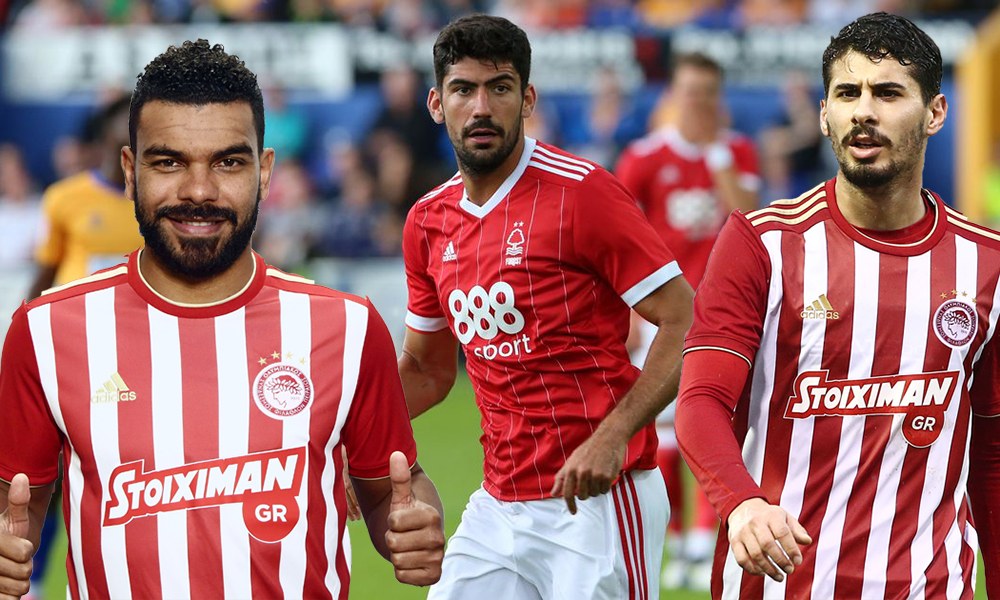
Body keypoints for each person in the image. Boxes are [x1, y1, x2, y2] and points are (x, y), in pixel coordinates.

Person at [0, 39, 445, 599]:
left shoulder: (347, 328)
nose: (199, 191)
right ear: (130, 170)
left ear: (264, 171)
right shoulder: (46, 332)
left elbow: (391, 491)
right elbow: (16, 503)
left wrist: (413, 525)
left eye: (229, 162)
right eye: (169, 162)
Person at [674, 12, 999, 599]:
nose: (863, 112)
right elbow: (701, 401)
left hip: (926, 586)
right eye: (847, 94)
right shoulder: (761, 243)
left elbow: (994, 451)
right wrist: (742, 502)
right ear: (824, 114)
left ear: (935, 113)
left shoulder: (987, 264)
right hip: (779, 585)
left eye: (888, 93)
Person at [400, 14, 694, 599]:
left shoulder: (582, 193)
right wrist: (345, 433)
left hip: (598, 501)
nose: (481, 107)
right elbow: (428, 370)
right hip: (498, 504)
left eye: (500, 88)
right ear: (436, 103)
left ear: (527, 99)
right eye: (463, 89)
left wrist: (614, 435)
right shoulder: (427, 221)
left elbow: (685, 319)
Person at [614, 51, 759, 591]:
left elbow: (748, 215)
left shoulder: (735, 150)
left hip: (725, 310)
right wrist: (627, 312)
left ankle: (704, 537)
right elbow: (619, 238)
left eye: (706, 92)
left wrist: (717, 156)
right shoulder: (644, 158)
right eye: (689, 91)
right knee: (662, 429)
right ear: (674, 96)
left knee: (720, 419)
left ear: (718, 97)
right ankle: (678, 537)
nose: (697, 102)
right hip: (662, 311)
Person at [27, 94, 144, 300]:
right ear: (106, 134)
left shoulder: (162, 200)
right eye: (130, 122)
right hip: (77, 312)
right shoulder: (63, 196)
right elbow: (46, 270)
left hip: (136, 313)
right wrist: (25, 316)